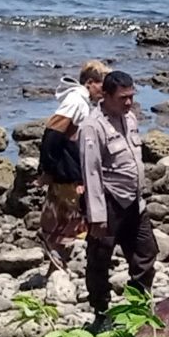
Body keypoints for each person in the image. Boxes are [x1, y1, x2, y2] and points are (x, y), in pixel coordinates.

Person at [77, 70, 157, 332]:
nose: (128, 103)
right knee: (100, 260)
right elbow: (91, 172)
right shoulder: (93, 126)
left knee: (146, 253)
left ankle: (136, 307)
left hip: (134, 201)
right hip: (109, 203)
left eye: (131, 97)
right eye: (122, 98)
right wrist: (96, 216)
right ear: (106, 96)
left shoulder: (130, 119)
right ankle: (101, 313)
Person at [37, 60, 108, 271]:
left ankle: (57, 267)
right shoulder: (76, 101)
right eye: (102, 86)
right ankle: (52, 249)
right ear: (90, 83)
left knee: (68, 217)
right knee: (75, 219)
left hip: (71, 170)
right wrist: (48, 169)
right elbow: (53, 132)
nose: (104, 92)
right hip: (67, 171)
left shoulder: (82, 102)